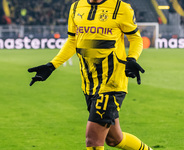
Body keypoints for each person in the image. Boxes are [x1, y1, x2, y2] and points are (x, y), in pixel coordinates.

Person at [28, 0, 153, 149]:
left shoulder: (121, 8)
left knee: (93, 141)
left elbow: (135, 38)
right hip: (89, 82)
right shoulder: (76, 7)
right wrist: (51, 65)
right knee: (114, 139)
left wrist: (132, 58)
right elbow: (73, 40)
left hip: (111, 83)